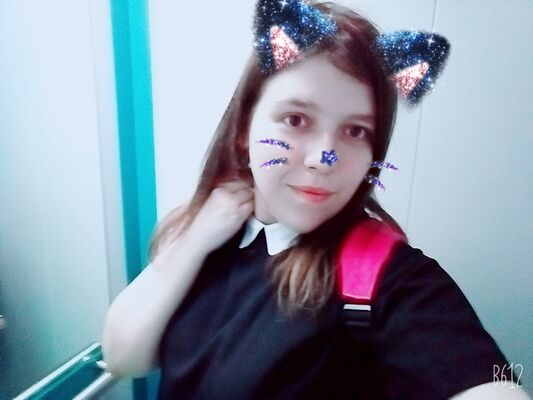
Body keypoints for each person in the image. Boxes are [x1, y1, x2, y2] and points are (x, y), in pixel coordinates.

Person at [102, 1, 529, 399]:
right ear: (244, 129)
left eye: (355, 131)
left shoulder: (389, 276)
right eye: (296, 119)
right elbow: (125, 358)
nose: (324, 159)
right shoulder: (211, 228)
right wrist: (193, 242)